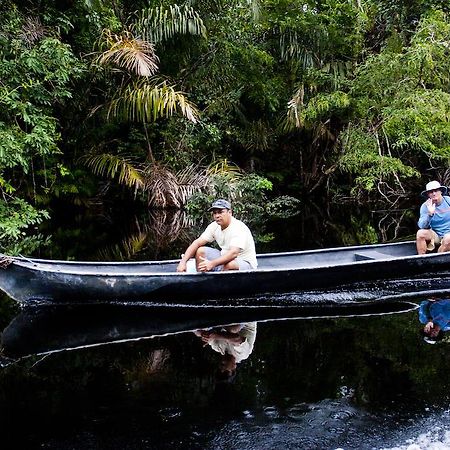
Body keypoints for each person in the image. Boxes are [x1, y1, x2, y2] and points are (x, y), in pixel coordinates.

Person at [176, 199, 257, 272]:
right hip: (225, 257)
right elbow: (197, 243)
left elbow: (234, 253)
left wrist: (212, 263)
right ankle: (203, 280)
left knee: (230, 265)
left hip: (245, 262)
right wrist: (183, 262)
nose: (217, 216)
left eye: (221, 212)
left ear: (230, 212)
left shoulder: (238, 227)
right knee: (201, 251)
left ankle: (221, 284)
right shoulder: (214, 226)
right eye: (215, 213)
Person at [416, 180, 450, 254]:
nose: (434, 194)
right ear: (428, 194)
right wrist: (430, 214)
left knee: (448, 239)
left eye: (436, 191)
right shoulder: (425, 206)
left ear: (440, 191)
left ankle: (437, 260)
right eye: (431, 192)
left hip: (449, 234)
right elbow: (422, 226)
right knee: (420, 233)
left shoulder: (448, 201)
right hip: (436, 235)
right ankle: (421, 260)